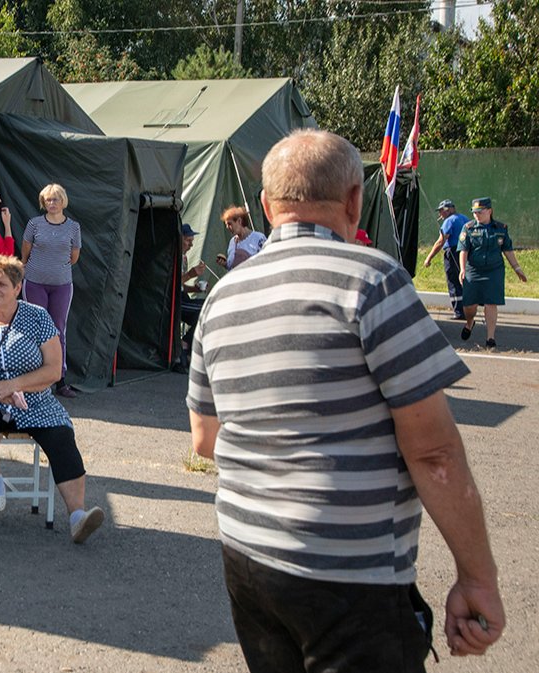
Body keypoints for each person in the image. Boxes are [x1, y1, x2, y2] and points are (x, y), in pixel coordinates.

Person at [187, 129, 504, 672]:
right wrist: (477, 577)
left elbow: (206, 439)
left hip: (247, 559)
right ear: (355, 200)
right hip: (348, 573)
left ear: (266, 206)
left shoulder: (222, 296)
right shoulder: (374, 280)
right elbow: (435, 455)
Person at [0, 255, 104, 544]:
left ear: (18, 288)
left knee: (60, 436)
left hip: (34, 400)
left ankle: (77, 516)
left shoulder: (37, 317)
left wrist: (14, 384)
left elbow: (53, 369)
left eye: (2, 284)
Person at [21, 184, 80, 398]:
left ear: (63, 201)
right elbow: (25, 251)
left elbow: (74, 257)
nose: (52, 203)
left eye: (55, 199)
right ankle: (34, 379)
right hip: (34, 282)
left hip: (62, 285)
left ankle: (59, 380)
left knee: (58, 330)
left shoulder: (73, 227)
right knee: (35, 328)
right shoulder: (34, 224)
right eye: (48, 200)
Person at [458, 197, 527, 349]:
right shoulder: (468, 228)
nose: (477, 215)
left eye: (480, 212)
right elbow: (463, 250)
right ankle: (470, 323)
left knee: (491, 303)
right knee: (469, 306)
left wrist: (517, 268)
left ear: (489, 211)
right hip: (473, 270)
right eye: (474, 212)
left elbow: (507, 249)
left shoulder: (501, 228)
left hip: (494, 271)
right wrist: (462, 269)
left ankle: (490, 338)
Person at [423, 199, 470, 320]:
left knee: (453, 281)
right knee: (464, 279)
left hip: (453, 253)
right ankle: (468, 309)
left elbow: (441, 241)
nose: (440, 214)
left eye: (441, 211)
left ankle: (459, 312)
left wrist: (429, 258)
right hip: (466, 252)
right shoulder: (464, 218)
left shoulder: (449, 221)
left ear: (448, 210)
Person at [179, 224, 207, 369]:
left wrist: (195, 288)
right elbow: (172, 283)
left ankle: (188, 348)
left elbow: (181, 285)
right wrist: (190, 274)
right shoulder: (173, 256)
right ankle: (185, 343)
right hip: (175, 301)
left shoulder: (184, 258)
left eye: (192, 241)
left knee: (208, 306)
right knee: (205, 308)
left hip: (184, 296)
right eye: (188, 241)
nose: (191, 245)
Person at [214, 205, 266, 270]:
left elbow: (266, 261)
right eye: (226, 225)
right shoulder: (232, 242)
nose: (227, 227)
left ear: (239, 221)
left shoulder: (258, 238)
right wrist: (225, 264)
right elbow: (231, 267)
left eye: (229, 224)